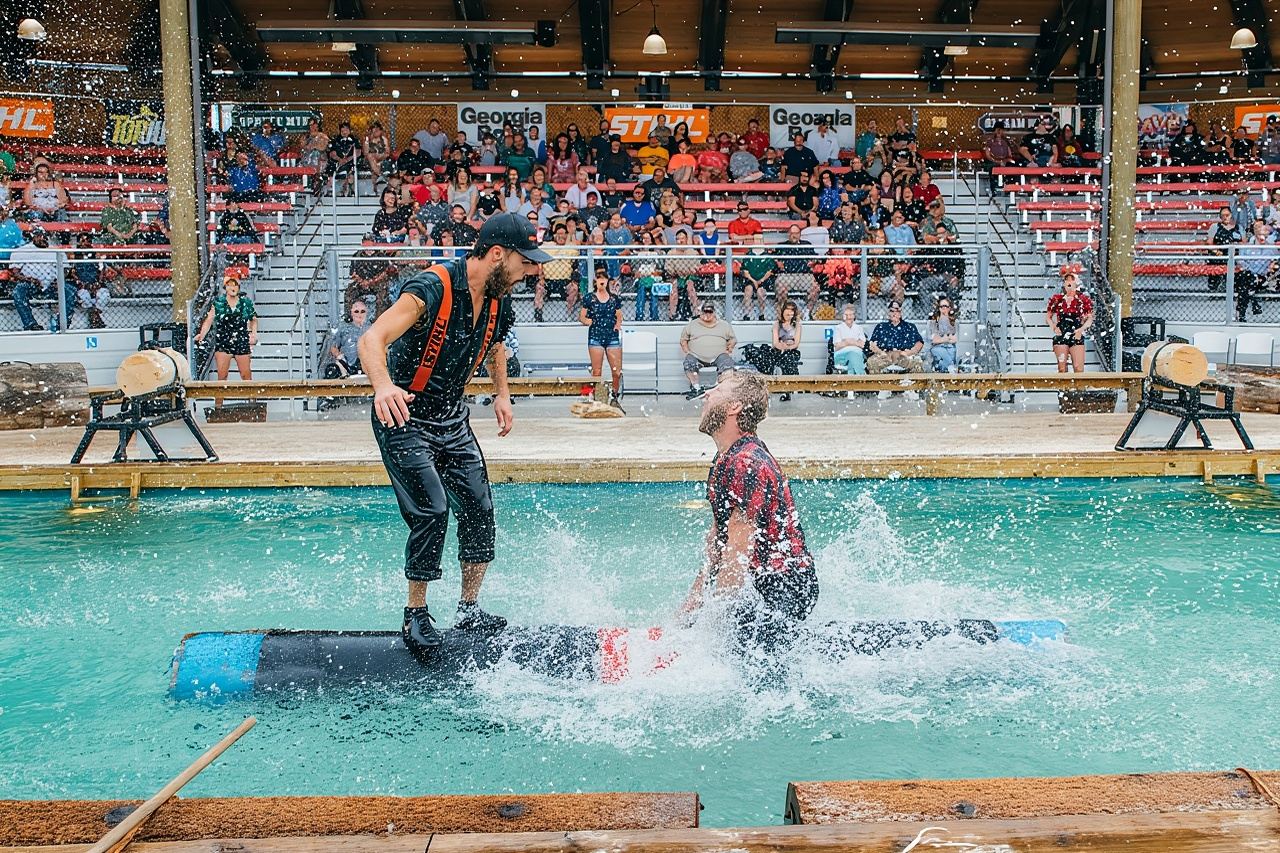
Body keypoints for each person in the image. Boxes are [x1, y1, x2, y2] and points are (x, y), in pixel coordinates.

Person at [357, 212, 550, 654]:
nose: (531, 273)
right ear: (498, 254)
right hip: (403, 411)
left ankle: (469, 607)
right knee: (432, 508)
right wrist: (383, 386)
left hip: (450, 415)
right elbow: (372, 338)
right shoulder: (432, 286)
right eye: (526, 263)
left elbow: (497, 344)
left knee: (479, 507)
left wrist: (502, 394)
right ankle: (416, 613)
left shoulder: (498, 297)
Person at [677, 367, 818, 665]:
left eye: (717, 389)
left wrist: (709, 637)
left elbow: (737, 553)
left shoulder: (746, 463)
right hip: (761, 582)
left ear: (734, 407)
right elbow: (718, 540)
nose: (707, 393)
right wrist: (691, 607)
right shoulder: (725, 458)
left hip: (784, 587)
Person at [195, 275, 258, 381]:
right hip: (223, 340)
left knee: (246, 375)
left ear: (238, 287)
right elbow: (209, 320)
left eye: (235, 285)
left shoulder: (245, 303)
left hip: (241, 339)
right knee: (222, 376)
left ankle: (251, 397)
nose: (232, 288)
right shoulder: (219, 303)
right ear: (225, 287)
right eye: (229, 285)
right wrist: (202, 335)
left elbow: (254, 319)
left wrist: (253, 334)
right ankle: (219, 397)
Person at [9, 228, 71, 331]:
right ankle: (31, 324)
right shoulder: (22, 251)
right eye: (40, 236)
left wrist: (58, 280)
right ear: (34, 237)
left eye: (45, 237)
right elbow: (15, 272)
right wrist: (28, 279)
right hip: (30, 285)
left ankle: (61, 323)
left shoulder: (56, 251)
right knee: (18, 291)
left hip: (52, 285)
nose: (43, 239)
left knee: (70, 291)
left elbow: (65, 270)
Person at [580, 268, 624, 399]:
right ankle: (596, 396)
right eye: (599, 278)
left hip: (611, 336)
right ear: (595, 281)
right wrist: (589, 321)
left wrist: (618, 325)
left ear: (607, 281)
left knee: (616, 371)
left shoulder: (614, 299)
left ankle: (614, 395)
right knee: (597, 370)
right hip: (596, 336)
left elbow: (619, 315)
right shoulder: (589, 298)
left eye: (604, 278)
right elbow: (582, 316)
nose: (601, 281)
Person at [681, 301, 737, 397]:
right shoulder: (692, 324)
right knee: (689, 362)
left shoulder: (724, 325)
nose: (707, 314)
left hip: (719, 356)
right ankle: (696, 387)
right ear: (701, 312)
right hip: (696, 356)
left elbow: (733, 339)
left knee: (728, 363)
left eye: (710, 312)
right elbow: (683, 340)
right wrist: (687, 352)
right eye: (705, 311)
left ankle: (719, 387)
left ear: (714, 312)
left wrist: (729, 350)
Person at [867, 301, 925, 393]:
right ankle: (882, 388)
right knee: (871, 362)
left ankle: (912, 389)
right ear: (888, 313)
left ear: (901, 313)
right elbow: (872, 344)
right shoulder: (881, 327)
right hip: (886, 355)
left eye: (897, 311)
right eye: (891, 311)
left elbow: (919, 343)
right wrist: (880, 352)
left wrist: (909, 352)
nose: (894, 313)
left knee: (918, 362)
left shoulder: (909, 327)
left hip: (903, 355)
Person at [1045, 270, 1093, 373]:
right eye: (1067, 280)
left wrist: (1081, 329)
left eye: (1072, 280)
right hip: (1061, 333)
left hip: (1076, 333)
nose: (1069, 282)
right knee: (1062, 368)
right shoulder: (1057, 299)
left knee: (1078, 368)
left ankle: (1079, 388)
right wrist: (1054, 327)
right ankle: (1064, 388)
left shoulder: (1082, 300)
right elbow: (1048, 317)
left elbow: (1089, 318)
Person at [534, 222, 579, 322]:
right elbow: (538, 261)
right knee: (539, 288)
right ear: (554, 235)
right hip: (548, 281)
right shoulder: (546, 247)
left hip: (565, 281)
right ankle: (538, 314)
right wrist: (541, 277)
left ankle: (570, 316)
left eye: (563, 233)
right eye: (558, 234)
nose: (561, 236)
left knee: (574, 288)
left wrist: (574, 280)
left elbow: (576, 266)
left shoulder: (571, 248)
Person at [1235, 221, 1278, 321]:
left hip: (1264, 277)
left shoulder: (1272, 248)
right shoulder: (1247, 247)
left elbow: (1276, 261)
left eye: (1265, 234)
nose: (1263, 236)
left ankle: (1241, 312)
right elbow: (1240, 261)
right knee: (1245, 277)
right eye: (1260, 234)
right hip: (1249, 275)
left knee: (1245, 283)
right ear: (1256, 234)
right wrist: (1253, 274)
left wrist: (1272, 265)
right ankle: (1251, 303)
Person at [326, 300, 374, 378]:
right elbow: (333, 347)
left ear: (366, 313)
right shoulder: (344, 329)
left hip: (369, 366)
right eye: (356, 311)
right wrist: (339, 356)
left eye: (362, 311)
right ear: (351, 313)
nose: (359, 314)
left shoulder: (372, 329)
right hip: (346, 365)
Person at [769, 301, 803, 400]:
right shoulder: (777, 325)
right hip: (779, 350)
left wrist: (787, 347)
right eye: (787, 309)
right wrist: (783, 346)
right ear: (783, 311)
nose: (789, 312)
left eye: (792, 310)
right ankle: (789, 386)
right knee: (783, 359)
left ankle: (787, 388)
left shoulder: (797, 325)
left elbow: (796, 343)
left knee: (788, 359)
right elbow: (775, 342)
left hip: (791, 351)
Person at [739, 234, 776, 321]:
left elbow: (769, 271)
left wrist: (761, 280)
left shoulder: (767, 256)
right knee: (748, 290)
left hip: (764, 280)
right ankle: (746, 314)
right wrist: (753, 281)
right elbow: (745, 271)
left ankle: (761, 314)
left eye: (759, 240)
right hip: (750, 279)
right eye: (755, 239)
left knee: (760, 292)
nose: (757, 242)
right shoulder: (749, 254)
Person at [327, 122, 362, 196]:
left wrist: (348, 159)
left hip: (351, 162)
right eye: (342, 131)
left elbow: (358, 152)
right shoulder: (335, 141)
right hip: (338, 162)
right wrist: (340, 160)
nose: (344, 132)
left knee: (351, 171)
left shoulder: (355, 141)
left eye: (346, 130)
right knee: (331, 169)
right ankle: (332, 190)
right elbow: (332, 153)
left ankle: (349, 189)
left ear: (349, 130)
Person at [830, 303, 866, 375]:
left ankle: (851, 379)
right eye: (846, 315)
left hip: (857, 354)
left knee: (853, 359)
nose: (848, 317)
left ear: (854, 316)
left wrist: (846, 341)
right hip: (841, 356)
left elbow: (862, 344)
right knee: (852, 356)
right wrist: (855, 342)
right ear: (843, 316)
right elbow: (837, 346)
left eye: (850, 315)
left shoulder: (859, 328)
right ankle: (861, 378)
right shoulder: (838, 328)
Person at [982, 121, 1016, 196]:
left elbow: (1009, 154)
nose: (999, 132)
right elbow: (988, 155)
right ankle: (994, 189)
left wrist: (1005, 161)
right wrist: (997, 161)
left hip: (1004, 161)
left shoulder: (1006, 142)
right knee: (992, 168)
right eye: (997, 130)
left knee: (1012, 166)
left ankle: (1009, 188)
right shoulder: (990, 141)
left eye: (1000, 130)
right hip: (993, 161)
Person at [928, 297, 958, 372]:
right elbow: (934, 340)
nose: (944, 308)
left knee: (951, 353)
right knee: (943, 357)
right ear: (939, 308)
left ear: (949, 308)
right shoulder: (934, 321)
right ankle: (950, 369)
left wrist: (942, 338)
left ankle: (948, 370)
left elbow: (955, 339)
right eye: (942, 306)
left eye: (946, 306)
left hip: (951, 347)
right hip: (938, 347)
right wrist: (947, 338)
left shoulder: (954, 322)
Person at [364, 121, 392, 186]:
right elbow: (365, 153)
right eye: (373, 131)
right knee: (370, 156)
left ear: (381, 131)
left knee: (377, 165)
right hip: (370, 161)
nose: (375, 133)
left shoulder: (384, 139)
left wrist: (379, 157)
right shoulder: (367, 140)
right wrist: (367, 142)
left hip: (381, 159)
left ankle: (377, 176)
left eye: (377, 131)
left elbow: (387, 153)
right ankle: (380, 175)